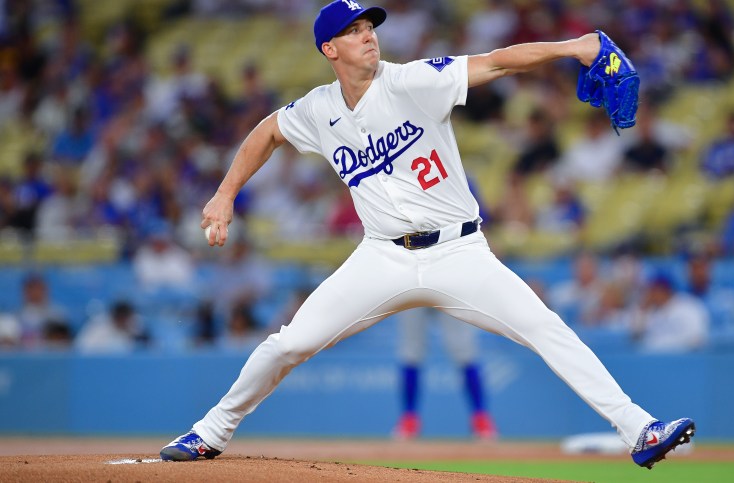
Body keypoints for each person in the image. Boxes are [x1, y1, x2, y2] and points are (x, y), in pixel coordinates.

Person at [160, 1, 694, 469]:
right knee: (289, 343)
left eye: (370, 26)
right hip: (381, 259)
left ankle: (639, 429)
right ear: (330, 49)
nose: (368, 34)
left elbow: (497, 61)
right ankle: (210, 433)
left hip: (459, 252)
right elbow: (269, 131)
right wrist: (226, 192)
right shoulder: (319, 110)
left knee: (546, 328)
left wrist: (575, 46)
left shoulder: (413, 81)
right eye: (353, 30)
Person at [391, 308, 497, 440]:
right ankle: (409, 420)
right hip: (413, 291)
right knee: (411, 352)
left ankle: (481, 420)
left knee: (465, 351)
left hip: (447, 289)